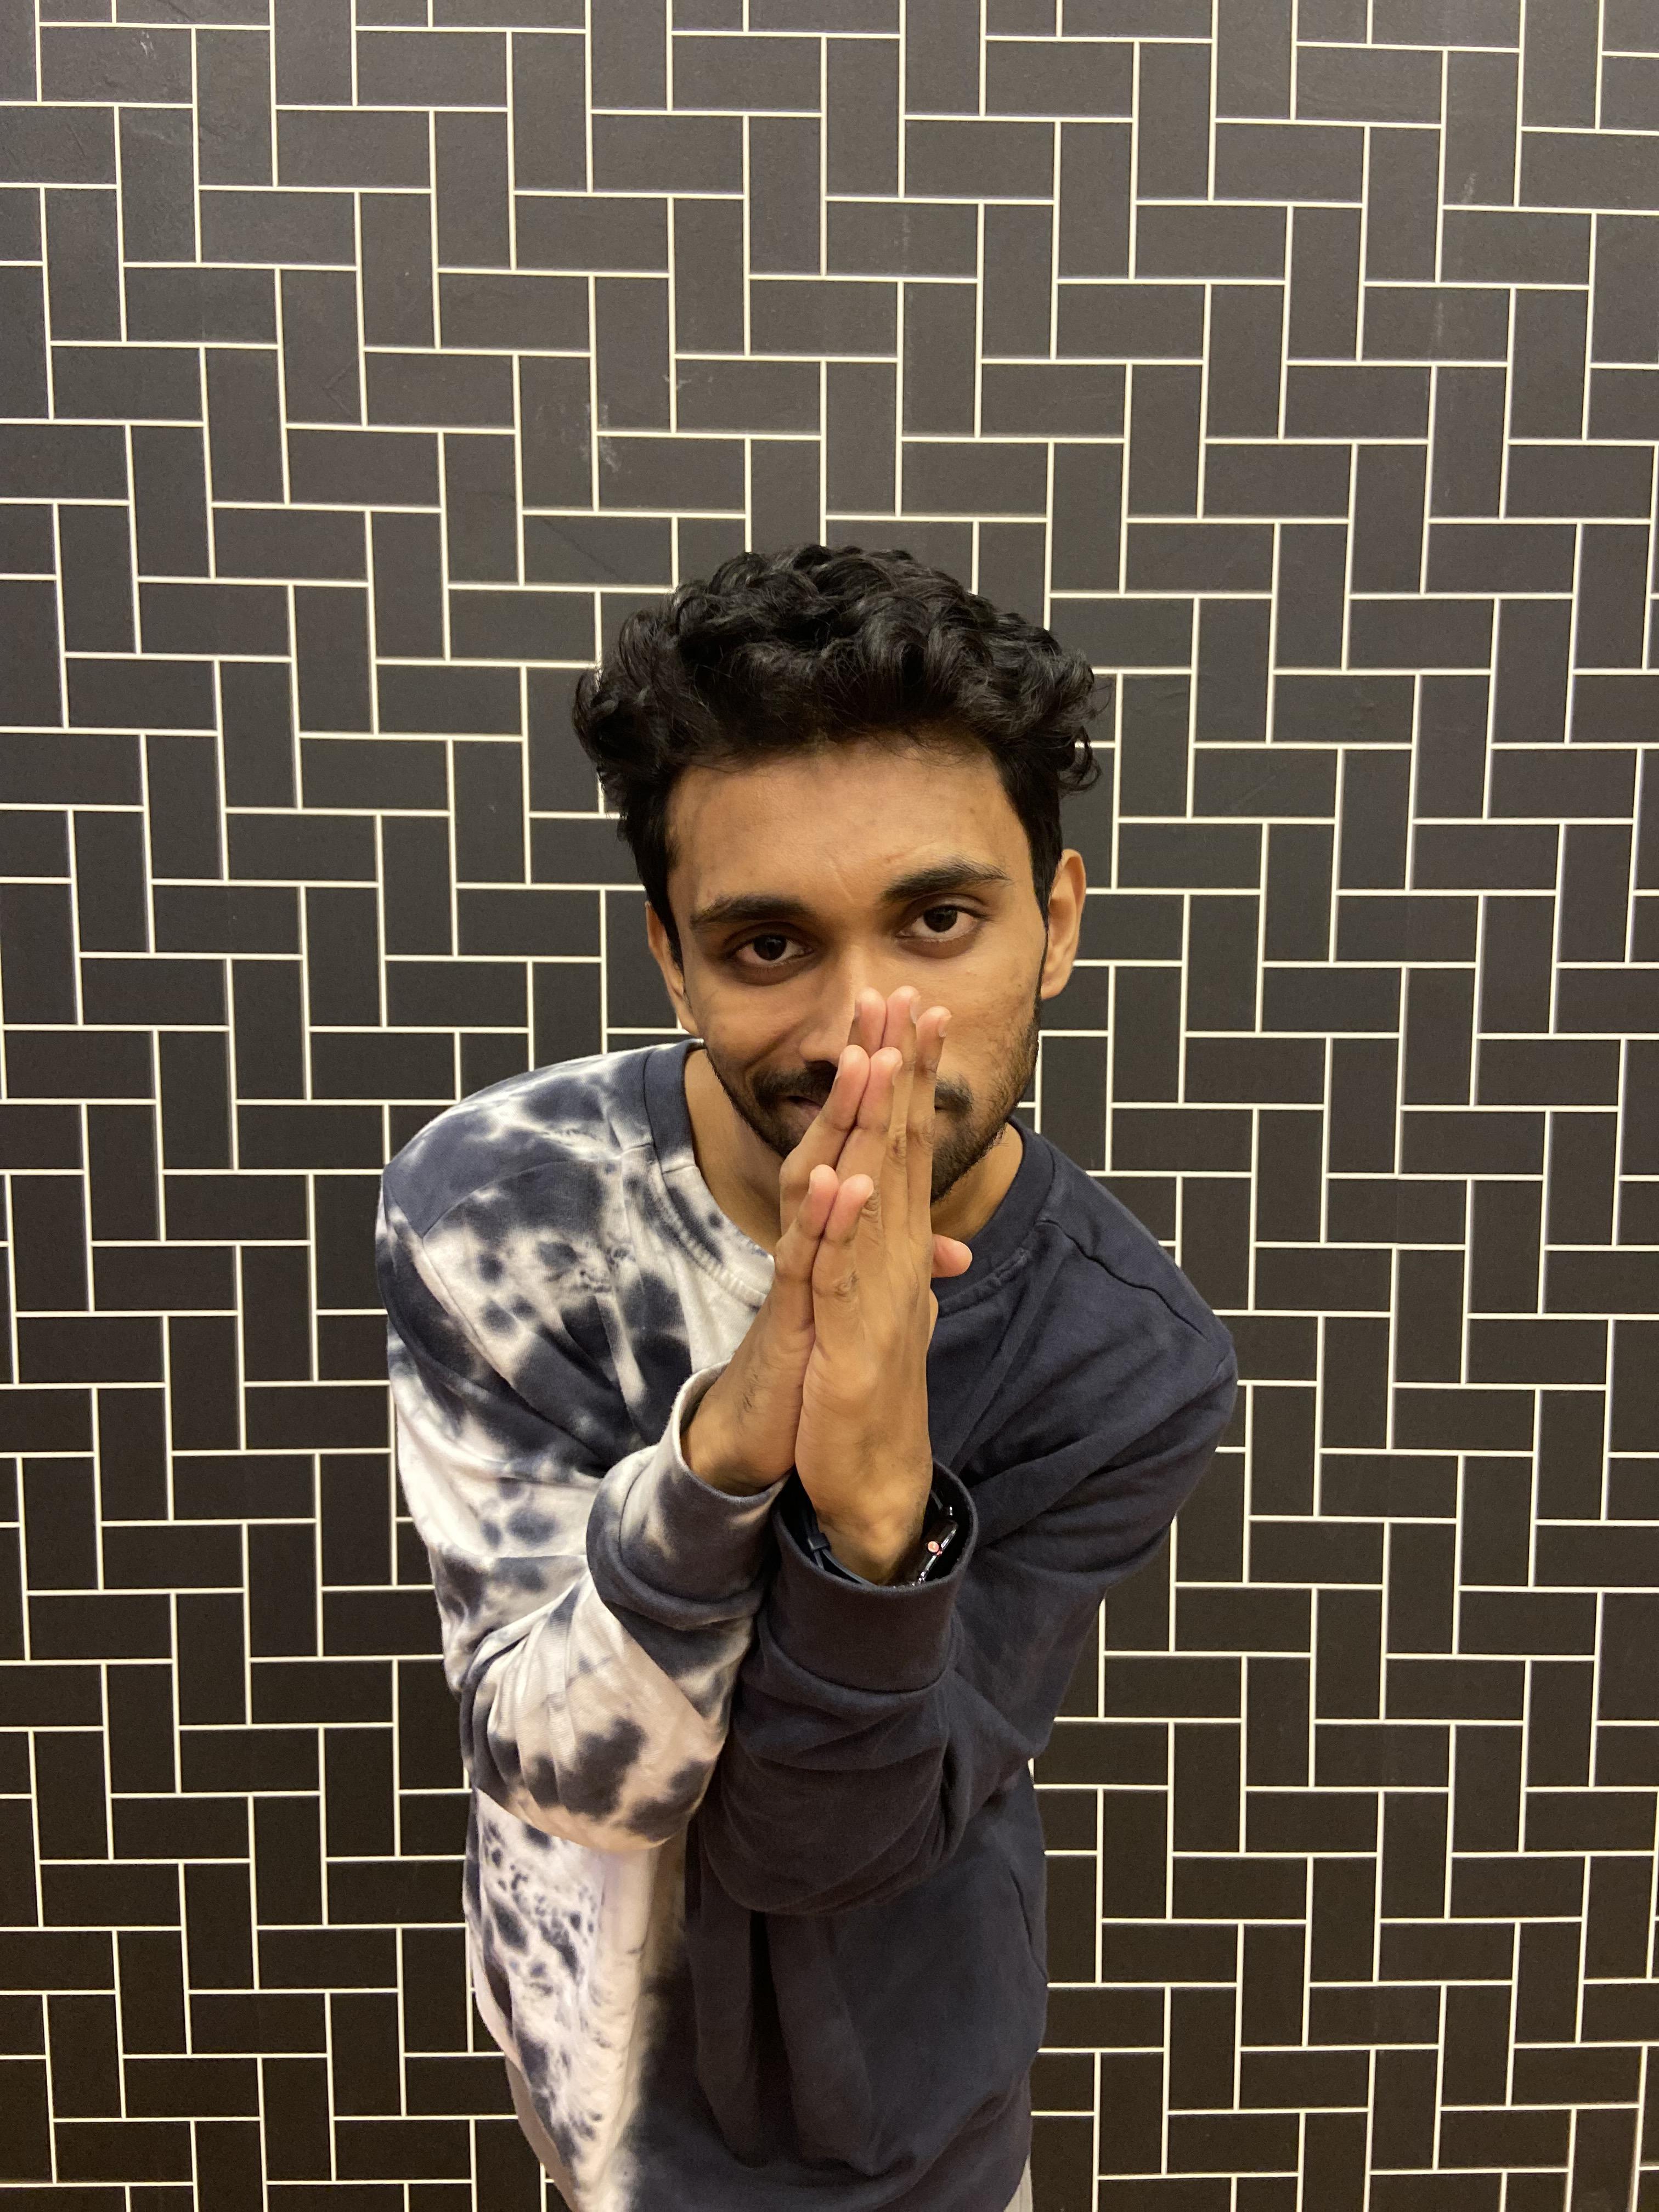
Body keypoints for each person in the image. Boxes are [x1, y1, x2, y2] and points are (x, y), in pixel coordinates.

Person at [376, 545, 1238, 2211]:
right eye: (769, 943)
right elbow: (556, 1770)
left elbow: (815, 1849)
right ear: (672, 956)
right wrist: (722, 1450)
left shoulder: (1123, 1359)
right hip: (599, 2089)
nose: (866, 1029)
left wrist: (874, 1512)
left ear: (1056, 924)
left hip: (912, 2122)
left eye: (938, 919)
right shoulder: (505, 1212)